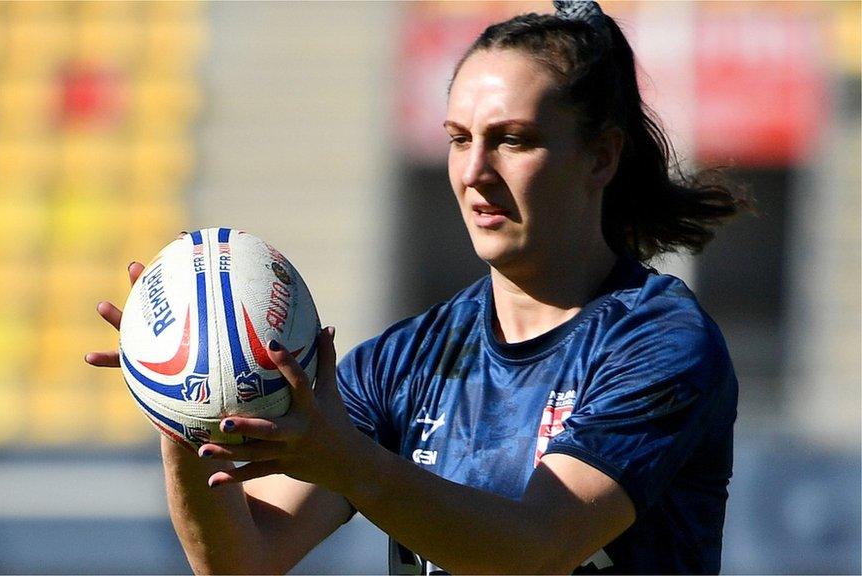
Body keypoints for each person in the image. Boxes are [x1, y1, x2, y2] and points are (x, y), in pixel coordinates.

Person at [86, 1, 746, 573]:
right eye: (460, 139)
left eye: (512, 140)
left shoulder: (657, 343)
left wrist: (353, 466)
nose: (475, 171)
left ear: (600, 156)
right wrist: (178, 398)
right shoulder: (403, 361)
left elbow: (534, 551)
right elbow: (243, 559)